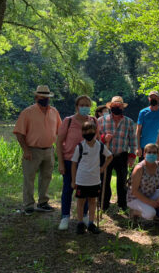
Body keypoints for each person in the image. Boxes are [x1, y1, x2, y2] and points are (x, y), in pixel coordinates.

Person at [14, 85, 61, 215]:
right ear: (36, 97)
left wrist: (59, 148)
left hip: (49, 150)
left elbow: (60, 131)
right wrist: (26, 150)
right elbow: (19, 133)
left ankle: (43, 202)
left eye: (47, 97)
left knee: (46, 177)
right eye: (42, 97)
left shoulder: (54, 112)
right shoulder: (27, 112)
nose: (45, 99)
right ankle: (28, 205)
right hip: (32, 150)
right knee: (29, 178)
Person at [56, 95, 99, 230]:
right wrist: (61, 163)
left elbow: (95, 141)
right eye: (82, 105)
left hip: (87, 162)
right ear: (76, 107)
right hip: (69, 161)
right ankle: (65, 217)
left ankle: (85, 216)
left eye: (88, 105)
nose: (85, 107)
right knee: (68, 189)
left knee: (87, 189)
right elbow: (59, 142)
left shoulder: (93, 121)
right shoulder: (68, 121)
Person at [71, 121, 113, 234]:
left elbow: (109, 156)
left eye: (90, 131)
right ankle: (80, 223)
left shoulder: (100, 146)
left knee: (93, 201)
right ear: (82, 132)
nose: (87, 133)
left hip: (94, 180)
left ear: (95, 132)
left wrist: (103, 167)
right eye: (85, 131)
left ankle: (91, 223)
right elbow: (74, 163)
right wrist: (73, 180)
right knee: (80, 202)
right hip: (81, 179)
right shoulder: (80, 146)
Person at [97, 96, 137, 212]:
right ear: (110, 107)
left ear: (122, 108)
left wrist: (132, 156)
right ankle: (104, 203)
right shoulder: (101, 120)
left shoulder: (129, 122)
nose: (116, 108)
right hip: (106, 155)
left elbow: (133, 140)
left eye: (119, 106)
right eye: (114, 106)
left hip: (122, 154)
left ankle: (122, 203)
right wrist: (104, 138)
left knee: (122, 181)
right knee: (104, 179)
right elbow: (96, 138)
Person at [127, 144, 159, 223]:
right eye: (149, 152)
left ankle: (156, 212)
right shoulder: (139, 168)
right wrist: (150, 202)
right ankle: (134, 212)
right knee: (150, 214)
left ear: (158, 154)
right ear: (144, 154)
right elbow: (134, 191)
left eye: (154, 152)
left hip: (150, 194)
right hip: (135, 198)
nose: (152, 154)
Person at [136, 91, 159, 159]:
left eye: (155, 97)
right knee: (143, 168)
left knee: (157, 168)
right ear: (149, 99)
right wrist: (138, 147)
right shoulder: (142, 112)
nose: (153, 99)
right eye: (151, 97)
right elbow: (138, 130)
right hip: (144, 147)